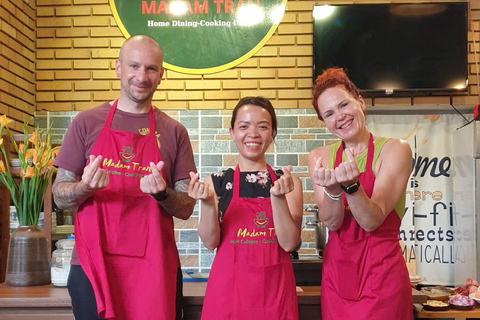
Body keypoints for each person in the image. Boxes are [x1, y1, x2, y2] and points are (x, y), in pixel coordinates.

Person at [52, 35, 196, 320]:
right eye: (134, 66)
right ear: (118, 68)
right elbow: (59, 195)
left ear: (161, 75)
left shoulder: (174, 132)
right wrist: (84, 187)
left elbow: (187, 208)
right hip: (93, 264)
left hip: (154, 267)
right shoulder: (86, 122)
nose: (141, 76)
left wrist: (162, 194)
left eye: (151, 69)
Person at [307, 68, 413, 319]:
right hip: (338, 277)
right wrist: (333, 190)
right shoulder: (319, 158)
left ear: (360, 102)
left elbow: (372, 220)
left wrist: (352, 187)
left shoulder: (395, 149)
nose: (340, 116)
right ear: (325, 122)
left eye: (344, 104)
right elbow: (332, 222)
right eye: (329, 113)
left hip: (382, 276)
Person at [188, 96, 303, 320]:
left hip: (275, 297)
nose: (253, 134)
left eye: (263, 126)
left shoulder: (288, 183)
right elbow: (210, 242)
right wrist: (207, 202)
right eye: (244, 126)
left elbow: (289, 243)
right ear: (232, 132)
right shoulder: (217, 182)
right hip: (228, 297)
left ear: (272, 133)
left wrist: (278, 198)